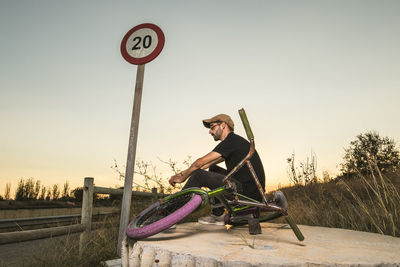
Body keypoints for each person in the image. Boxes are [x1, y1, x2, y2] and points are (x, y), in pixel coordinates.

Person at [168, 113, 265, 225]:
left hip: (248, 195)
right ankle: (218, 214)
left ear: (223, 125)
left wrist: (182, 177)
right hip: (250, 191)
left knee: (199, 175)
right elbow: (206, 165)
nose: (210, 131)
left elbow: (200, 163)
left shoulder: (232, 140)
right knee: (213, 168)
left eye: (212, 127)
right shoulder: (233, 142)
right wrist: (182, 173)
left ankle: (168, 214)